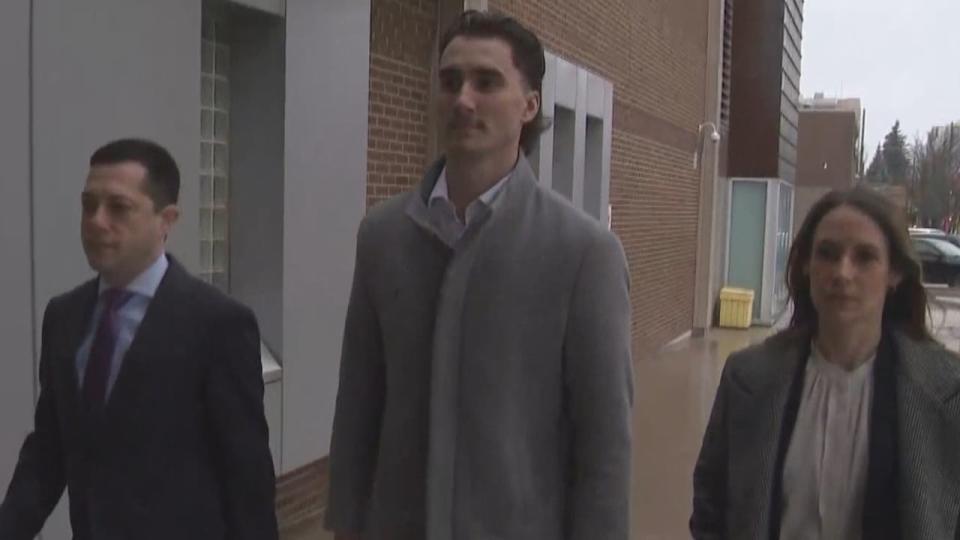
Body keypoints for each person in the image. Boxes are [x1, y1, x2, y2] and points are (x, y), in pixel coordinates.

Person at [325, 10, 633, 540]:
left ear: (529, 104)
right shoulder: (383, 237)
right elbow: (359, 402)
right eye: (450, 82)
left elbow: (604, 443)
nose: (463, 99)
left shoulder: (583, 253)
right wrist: (349, 523)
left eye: (486, 82)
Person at [0, 138, 278, 540]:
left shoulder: (217, 324)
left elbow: (247, 478)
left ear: (166, 220)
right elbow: (49, 451)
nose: (96, 221)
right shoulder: (64, 317)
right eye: (88, 205)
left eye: (118, 207)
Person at [691, 187, 960, 539]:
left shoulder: (947, 391)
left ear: (894, 273)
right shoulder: (747, 378)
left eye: (864, 257)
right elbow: (711, 508)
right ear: (806, 265)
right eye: (828, 254)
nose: (842, 273)